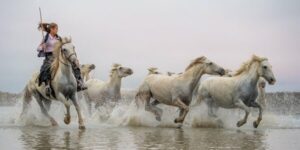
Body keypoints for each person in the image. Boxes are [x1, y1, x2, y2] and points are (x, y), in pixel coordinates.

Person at [37, 22, 87, 96]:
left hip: (58, 56)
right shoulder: (46, 38)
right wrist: (42, 47)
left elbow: (64, 47)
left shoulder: (58, 38)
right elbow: (38, 48)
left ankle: (79, 81)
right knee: (46, 68)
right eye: (56, 29)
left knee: (75, 63)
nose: (57, 30)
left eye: (57, 29)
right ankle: (47, 86)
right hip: (50, 57)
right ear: (51, 29)